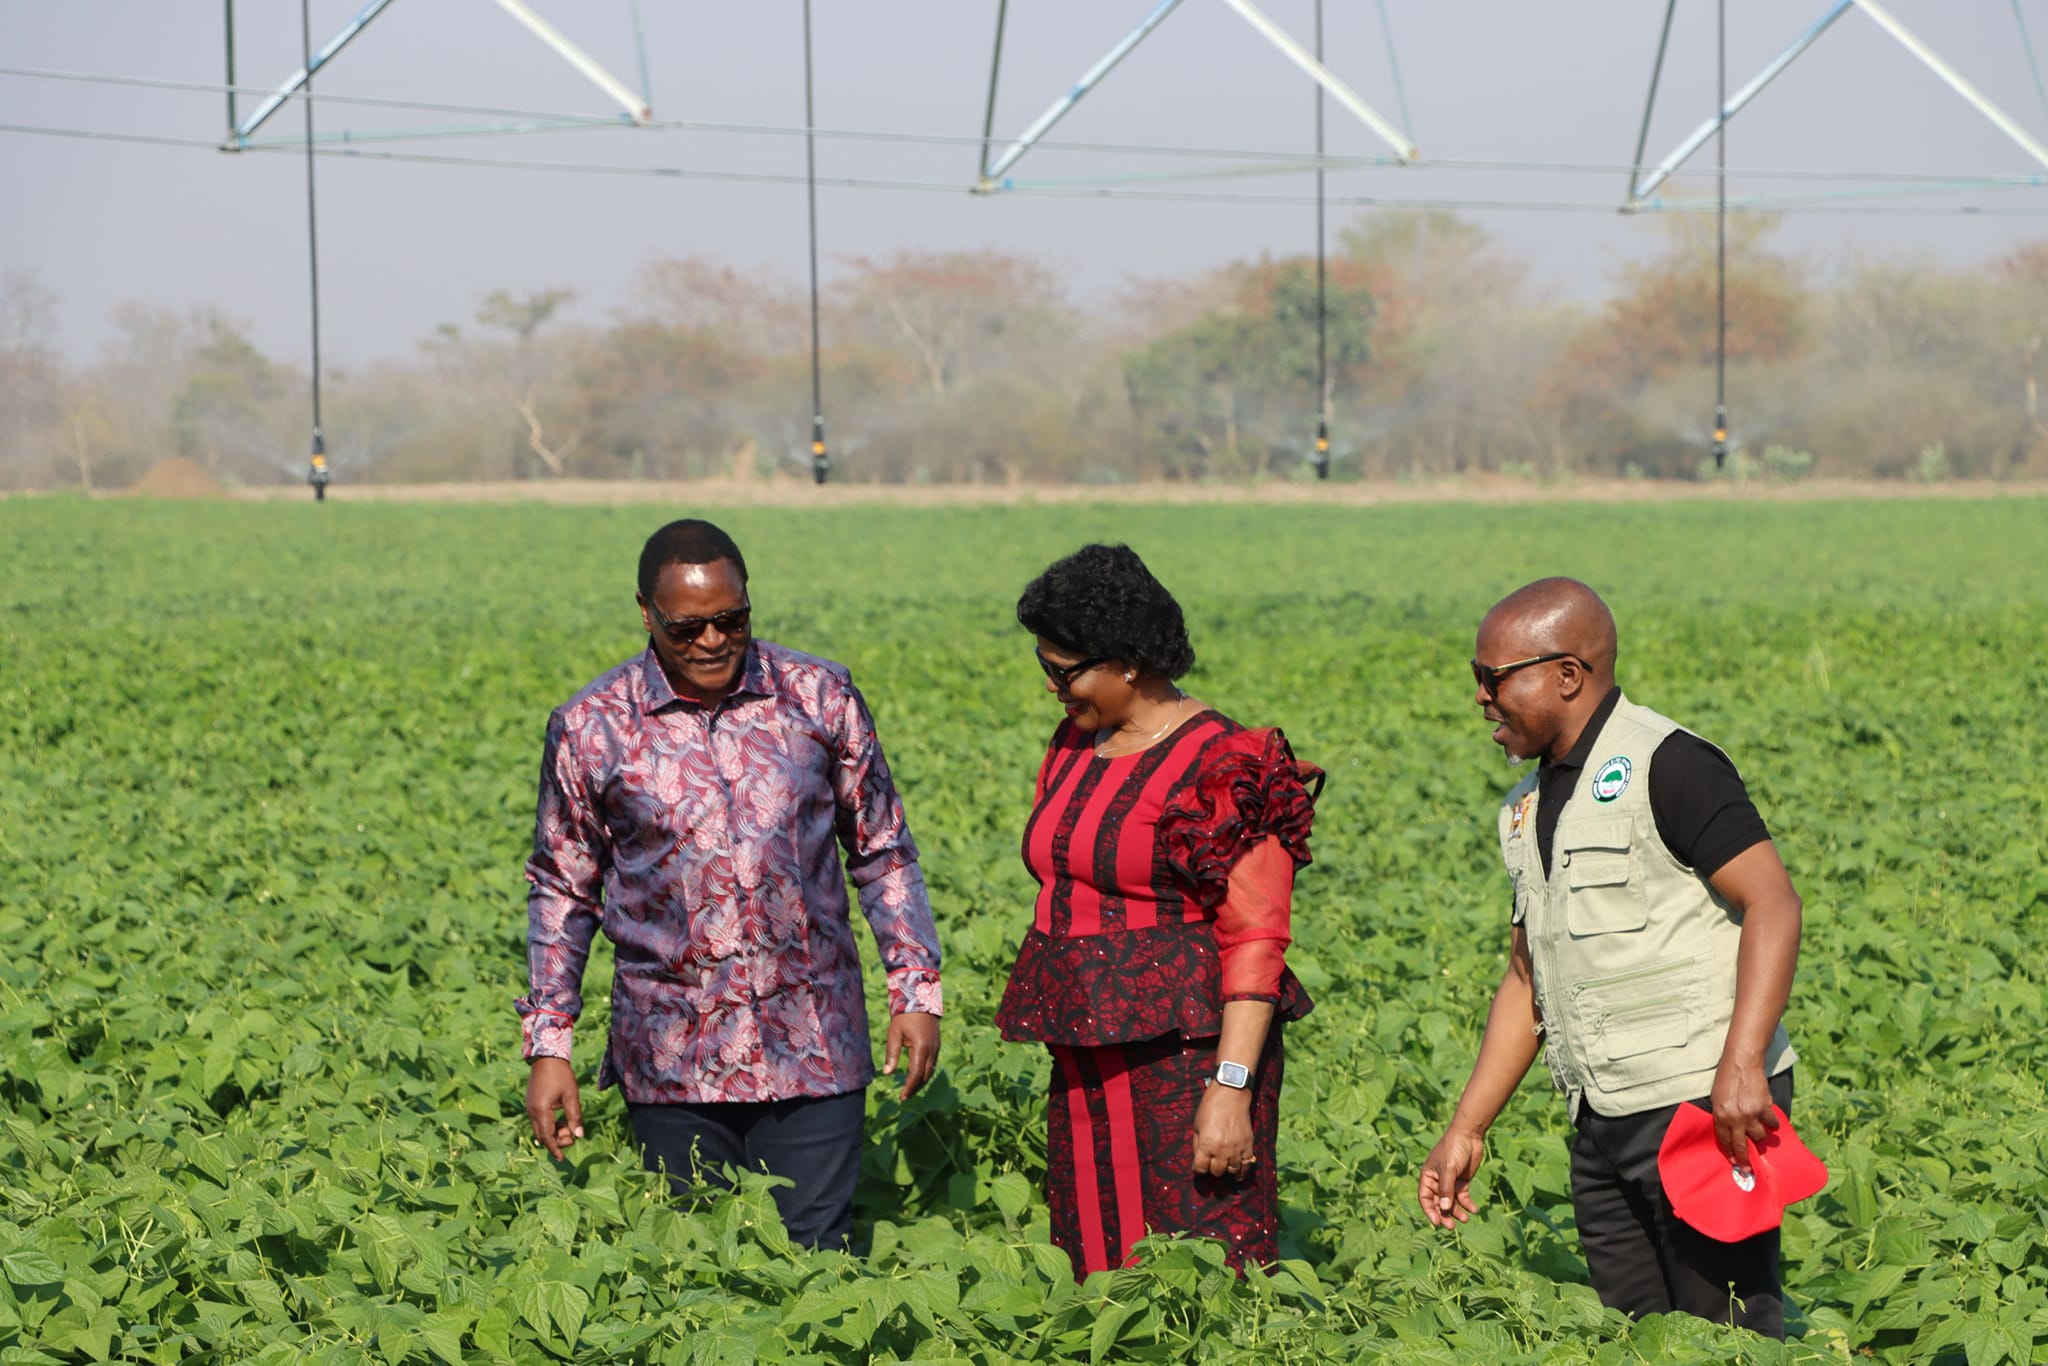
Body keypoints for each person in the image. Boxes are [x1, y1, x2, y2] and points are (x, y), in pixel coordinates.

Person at [516, 518, 944, 1250]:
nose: (712, 641)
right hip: (674, 1056)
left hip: (814, 1043)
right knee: (695, 1271)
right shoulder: (593, 729)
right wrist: (550, 1045)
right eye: (687, 628)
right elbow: (563, 890)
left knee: (819, 1261)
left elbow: (881, 850)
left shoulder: (819, 697)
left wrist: (915, 988)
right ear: (647, 615)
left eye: (730, 620)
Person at [1418, 577, 1803, 1337]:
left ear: (1567, 675)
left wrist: (1743, 1064)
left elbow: (1774, 904)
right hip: (1602, 1117)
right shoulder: (1525, 806)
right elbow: (1527, 978)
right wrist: (1467, 1126)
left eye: (1493, 679)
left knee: (1726, 1331)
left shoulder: (1672, 764)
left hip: (1702, 1104)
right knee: (1636, 1333)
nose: (1481, 699)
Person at [995, 543, 1320, 1279]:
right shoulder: (1076, 742)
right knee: (1096, 1267)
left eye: (1064, 669)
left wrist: (1229, 1090)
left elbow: (1256, 940)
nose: (1051, 687)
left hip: (1188, 1060)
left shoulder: (1225, 764)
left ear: (1128, 660)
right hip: (1086, 1050)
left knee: (1195, 1269)